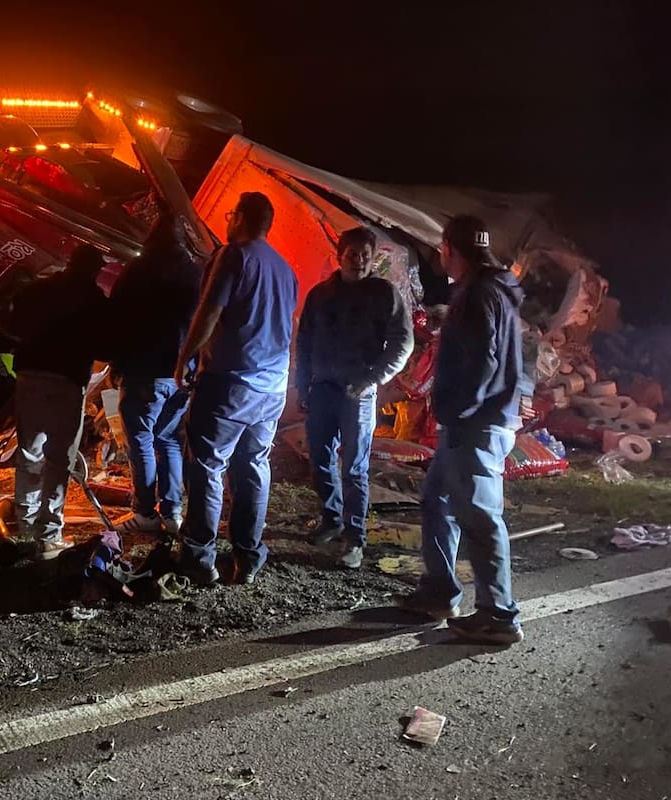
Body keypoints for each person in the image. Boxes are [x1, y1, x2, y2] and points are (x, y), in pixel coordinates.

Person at [397, 215, 525, 645]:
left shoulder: (479, 293)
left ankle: (499, 615)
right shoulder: (494, 289)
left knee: (480, 517)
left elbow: (483, 361)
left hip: (476, 423)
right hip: (478, 419)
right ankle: (439, 592)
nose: (440, 257)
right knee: (437, 500)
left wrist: (458, 409)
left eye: (442, 249)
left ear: (450, 248)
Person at [174, 192, 298, 585]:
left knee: (209, 464)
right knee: (253, 466)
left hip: (231, 383)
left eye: (230, 215)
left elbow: (209, 309)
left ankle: (199, 556)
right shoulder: (285, 269)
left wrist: (185, 357)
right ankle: (248, 555)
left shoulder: (234, 255)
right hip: (273, 387)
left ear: (240, 218)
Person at [295, 226, 413, 569]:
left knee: (355, 468)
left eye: (365, 254)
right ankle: (331, 521)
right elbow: (303, 343)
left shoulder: (384, 294)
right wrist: (303, 386)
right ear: (339, 254)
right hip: (322, 391)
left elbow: (402, 342)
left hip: (357, 394)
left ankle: (355, 538)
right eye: (353, 253)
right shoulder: (320, 295)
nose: (359, 260)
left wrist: (372, 379)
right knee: (319, 460)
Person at [3, 244, 110, 560]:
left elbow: (12, 325)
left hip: (30, 374)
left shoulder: (37, 290)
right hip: (66, 381)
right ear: (94, 271)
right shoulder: (95, 301)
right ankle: (48, 533)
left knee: (28, 450)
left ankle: (25, 523)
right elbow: (105, 346)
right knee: (59, 458)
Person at [110, 213, 203, 536]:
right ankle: (173, 511)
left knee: (141, 440)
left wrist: (116, 365)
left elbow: (117, 319)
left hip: (142, 370)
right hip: (180, 374)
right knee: (170, 439)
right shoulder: (195, 273)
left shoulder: (137, 271)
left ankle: (145, 512)